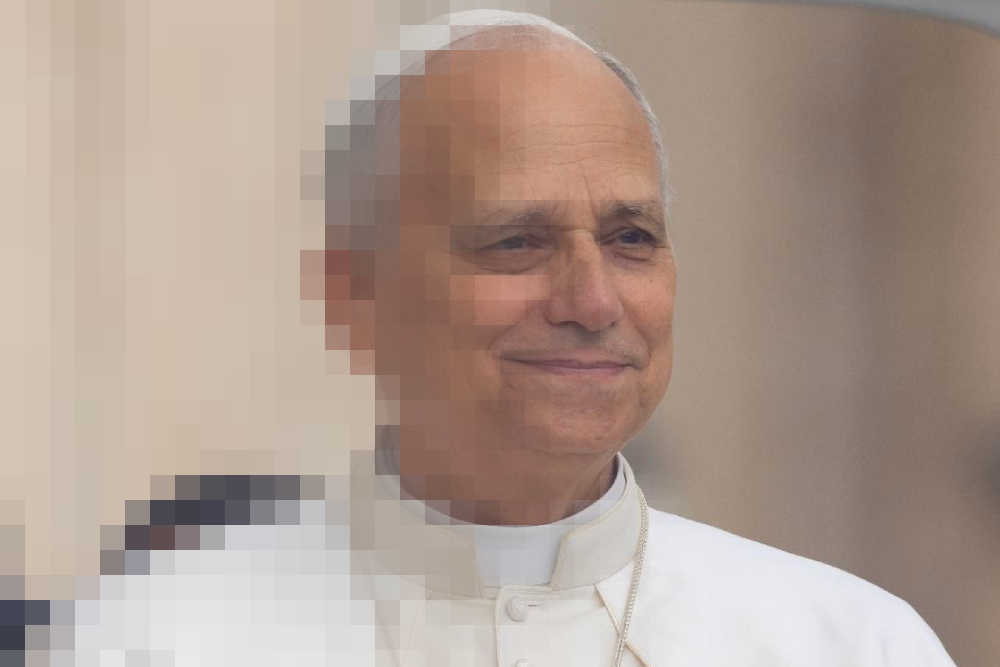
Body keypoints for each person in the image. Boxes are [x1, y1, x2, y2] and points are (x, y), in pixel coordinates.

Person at [63, 9, 955, 667]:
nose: (593, 299)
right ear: (352, 296)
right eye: (516, 240)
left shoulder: (850, 641)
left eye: (630, 237)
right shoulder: (148, 638)